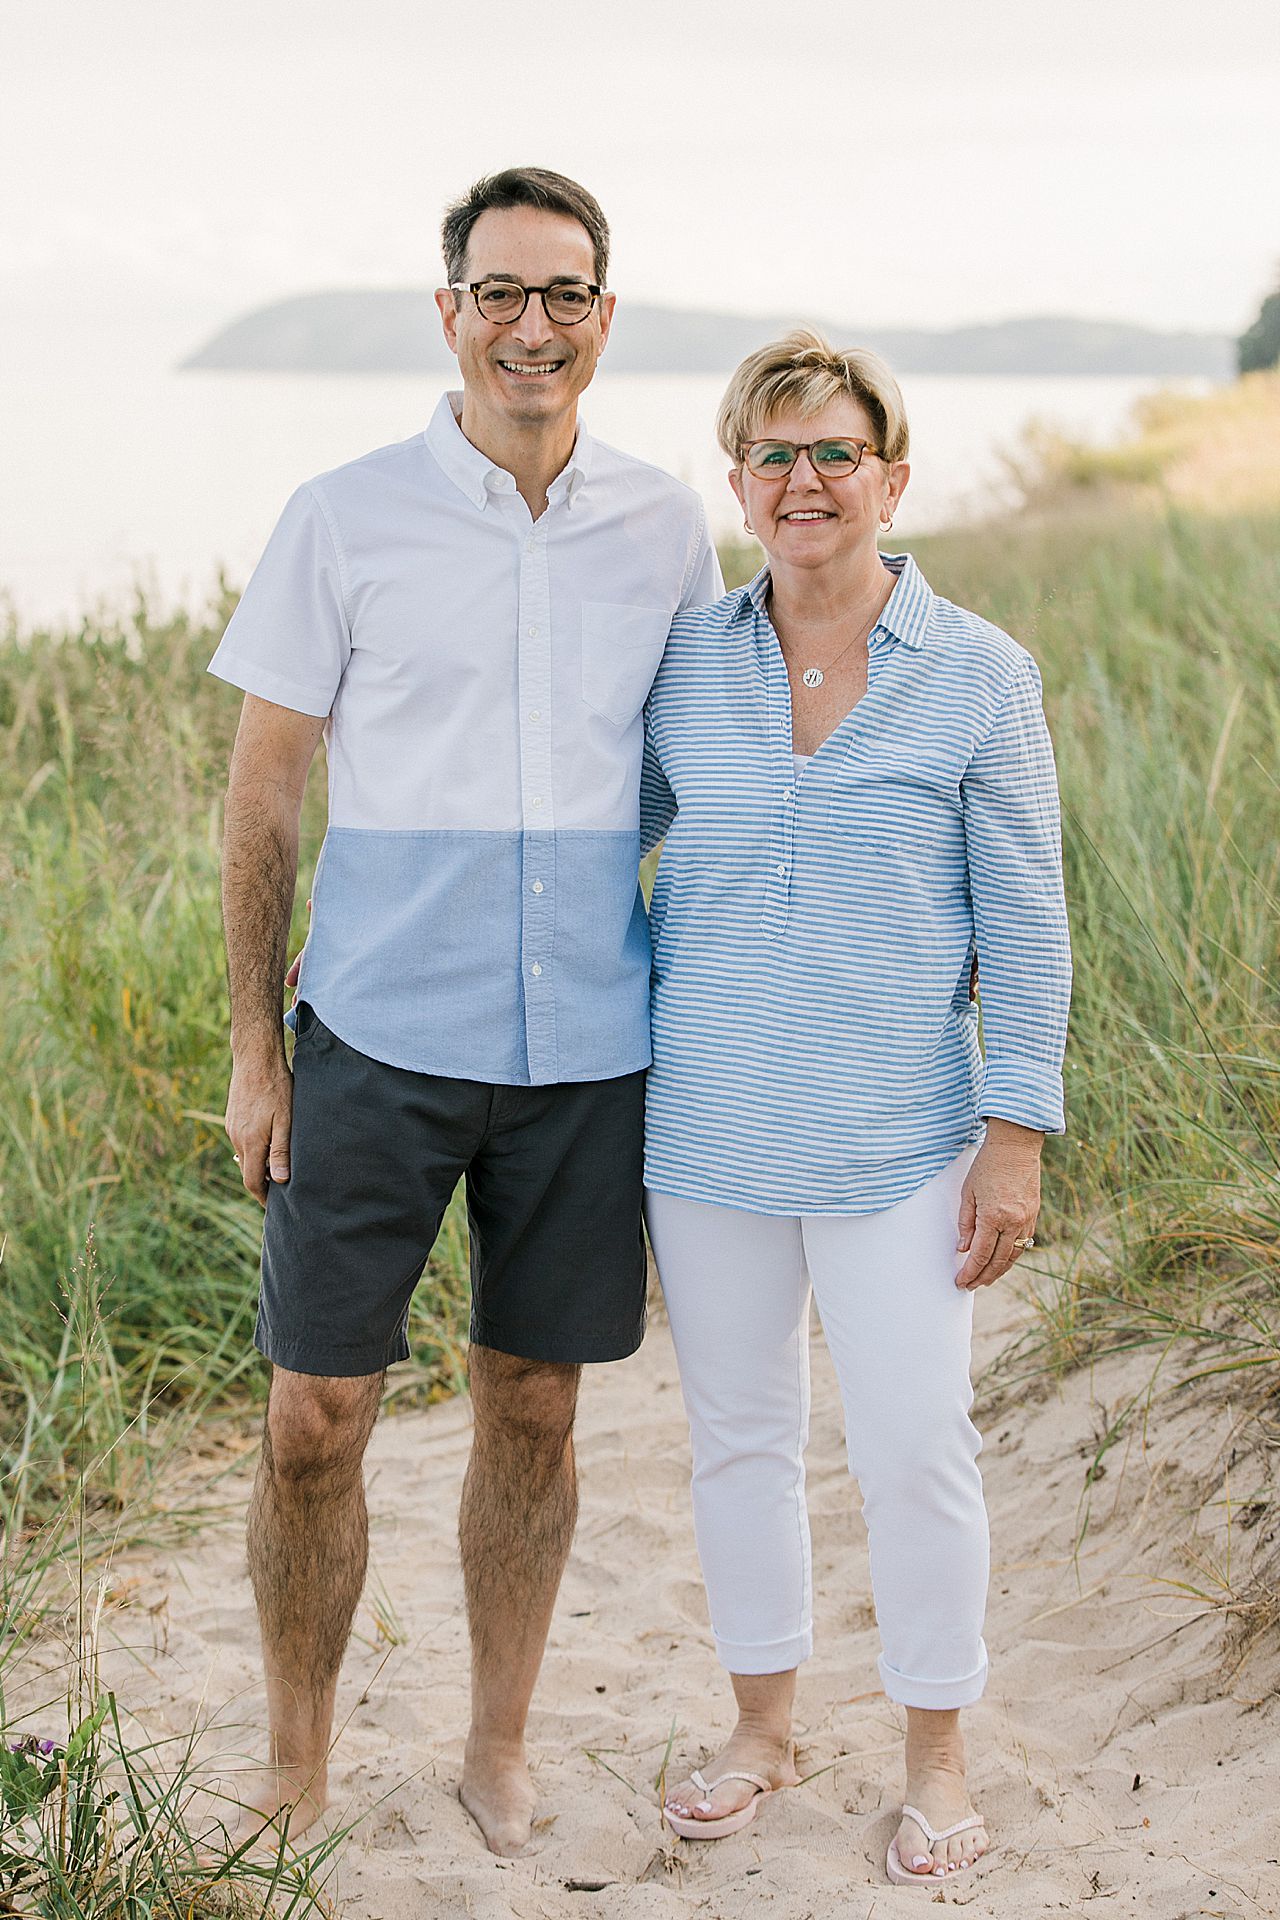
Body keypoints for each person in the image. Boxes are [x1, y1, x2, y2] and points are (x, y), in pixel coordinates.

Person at [210, 165, 721, 1857]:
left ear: (603, 316)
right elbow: (266, 790)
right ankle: (296, 1765)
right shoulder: (344, 515)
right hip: (372, 1036)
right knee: (313, 1417)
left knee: (537, 1402)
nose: (531, 324)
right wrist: (252, 1047)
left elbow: (680, 773)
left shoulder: (664, 524)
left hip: (587, 1046)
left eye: (562, 293)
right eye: (499, 292)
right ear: (450, 313)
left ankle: (499, 1743)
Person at [639, 331, 1071, 1885]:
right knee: (740, 1441)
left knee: (912, 1445)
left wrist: (1014, 1131)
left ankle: (936, 1757)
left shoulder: (979, 675)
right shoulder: (686, 661)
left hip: (902, 1138)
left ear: (892, 475)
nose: (804, 479)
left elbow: (1026, 924)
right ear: (737, 480)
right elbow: (596, 849)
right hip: (705, 1134)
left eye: (834, 453)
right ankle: (764, 1727)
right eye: (774, 453)